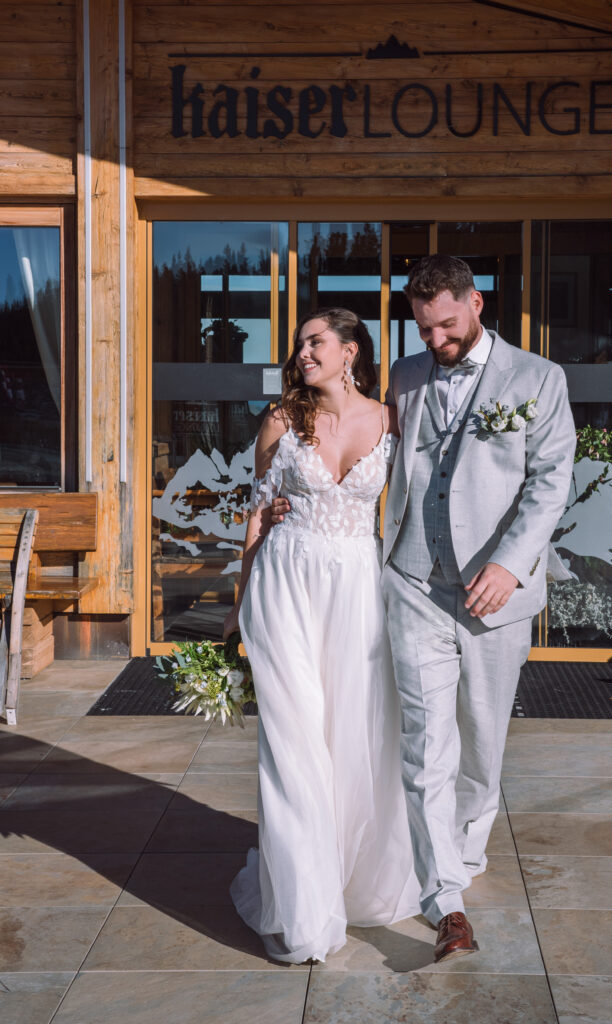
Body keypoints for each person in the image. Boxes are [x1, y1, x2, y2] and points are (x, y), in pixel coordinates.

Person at [380, 254, 576, 962]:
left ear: (477, 303)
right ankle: (445, 899)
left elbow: (551, 482)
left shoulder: (538, 378)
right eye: (424, 329)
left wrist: (509, 563)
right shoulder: (404, 376)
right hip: (413, 581)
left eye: (446, 325)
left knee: (483, 741)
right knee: (425, 741)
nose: (436, 341)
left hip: (496, 593)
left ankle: (464, 851)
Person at [223, 307, 421, 965]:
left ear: (350, 350)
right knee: (294, 740)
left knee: (355, 737)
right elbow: (257, 515)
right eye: (299, 344)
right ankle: (303, 909)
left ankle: (351, 879)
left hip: (358, 593)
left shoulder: (392, 420)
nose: (303, 353)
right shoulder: (281, 420)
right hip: (285, 584)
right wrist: (239, 602)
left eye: (316, 342)